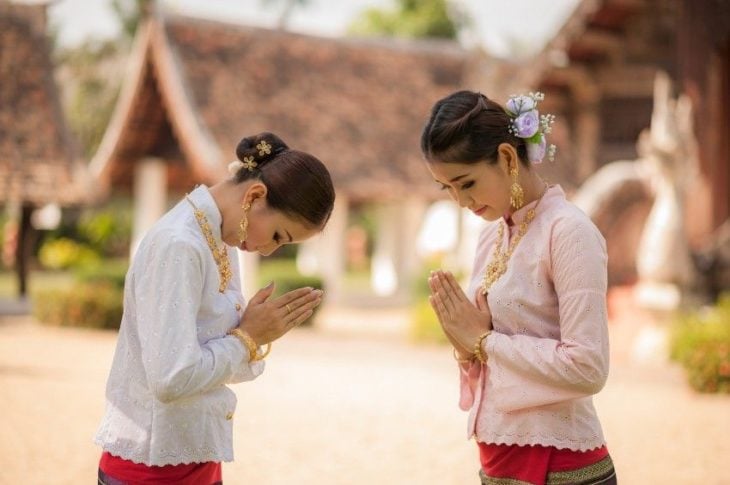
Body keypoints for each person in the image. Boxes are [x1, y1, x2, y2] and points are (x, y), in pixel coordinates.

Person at [95, 132, 335, 484]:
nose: (269, 251)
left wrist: (254, 335)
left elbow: (217, 368)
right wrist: (246, 337)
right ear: (255, 195)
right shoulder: (179, 245)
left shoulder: (220, 241)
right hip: (148, 470)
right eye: (279, 236)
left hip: (199, 458)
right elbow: (171, 379)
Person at [421, 91, 616, 485]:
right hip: (498, 459)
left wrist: (483, 342)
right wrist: (465, 344)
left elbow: (588, 367)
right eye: (448, 189)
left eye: (466, 182)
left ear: (508, 158)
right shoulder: (490, 236)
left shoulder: (569, 232)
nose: (460, 200)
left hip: (562, 465)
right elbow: (489, 355)